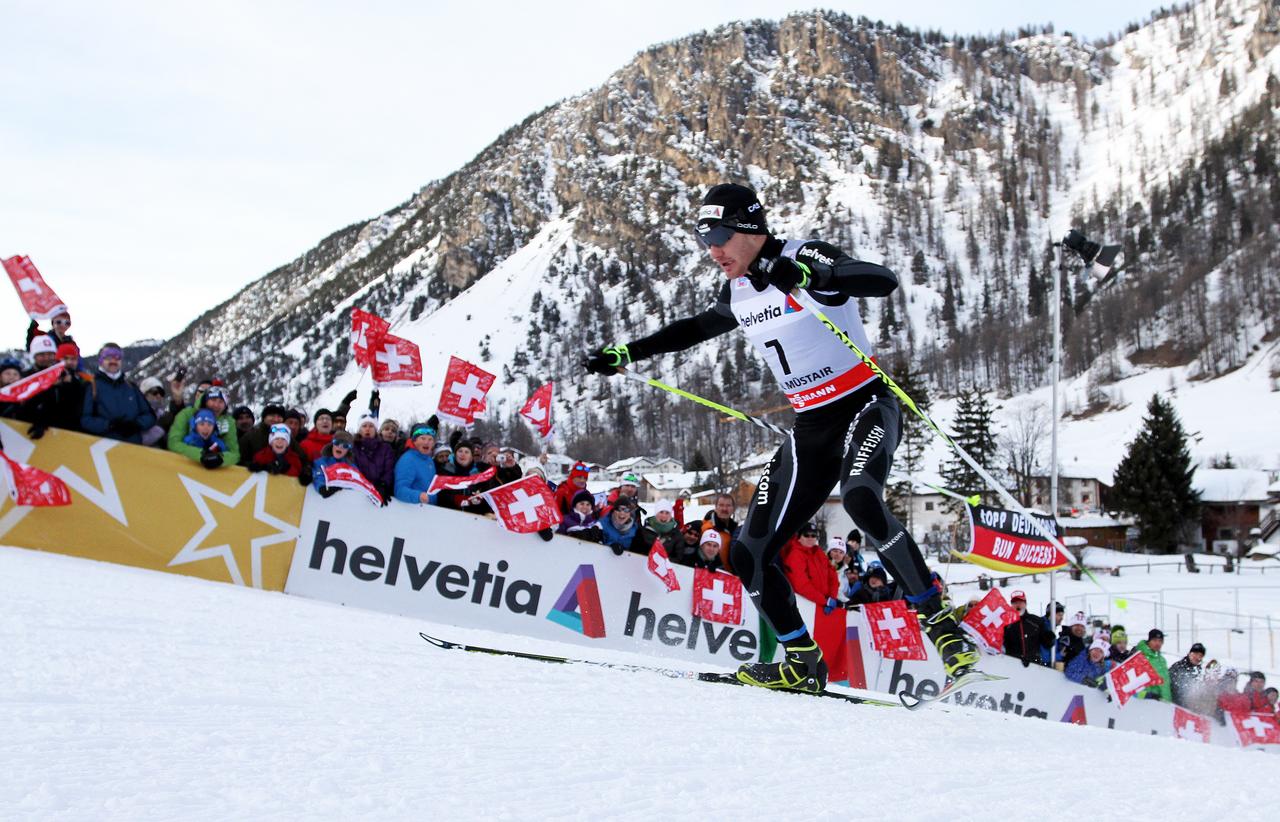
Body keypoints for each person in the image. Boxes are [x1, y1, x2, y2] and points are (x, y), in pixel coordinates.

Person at [584, 183, 976, 691]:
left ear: (751, 228)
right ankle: (801, 662)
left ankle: (945, 632)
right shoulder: (739, 290)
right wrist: (626, 354)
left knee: (860, 497)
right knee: (748, 553)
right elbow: (694, 329)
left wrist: (815, 276)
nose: (714, 250)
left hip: (864, 404)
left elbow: (881, 280)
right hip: (812, 426)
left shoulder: (800, 256)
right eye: (706, 239)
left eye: (722, 236)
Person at [80, 343, 155, 444]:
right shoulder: (91, 386)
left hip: (133, 448)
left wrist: (137, 424)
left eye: (117, 357)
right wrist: (109, 425)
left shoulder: (131, 387)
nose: (113, 361)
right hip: (102, 450)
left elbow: (149, 415)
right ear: (101, 360)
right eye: (108, 357)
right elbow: (85, 420)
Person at [167, 386, 240, 467]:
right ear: (206, 400)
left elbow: (234, 454)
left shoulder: (228, 422)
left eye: (221, 402)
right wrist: (201, 454)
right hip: (184, 466)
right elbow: (173, 443)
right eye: (213, 400)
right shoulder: (187, 414)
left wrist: (220, 458)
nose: (216, 405)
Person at [779, 523, 840, 614]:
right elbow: (801, 585)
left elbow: (832, 576)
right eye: (806, 535)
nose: (810, 538)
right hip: (805, 606)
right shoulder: (795, 555)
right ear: (799, 537)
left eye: (813, 535)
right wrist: (824, 601)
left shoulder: (818, 552)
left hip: (824, 605)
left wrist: (832, 597)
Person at [393, 421, 440, 505]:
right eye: (423, 438)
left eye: (430, 439)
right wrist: (419, 496)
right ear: (414, 441)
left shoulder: (430, 461)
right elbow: (399, 490)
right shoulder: (408, 459)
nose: (426, 442)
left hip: (430, 511)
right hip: (412, 511)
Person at [1003, 590, 1053, 667]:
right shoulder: (1005, 623)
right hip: (1012, 665)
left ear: (1025, 603)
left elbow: (1047, 644)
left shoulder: (1036, 621)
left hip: (1034, 666)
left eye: (1020, 602)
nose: (1018, 605)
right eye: (1015, 602)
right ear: (1011, 605)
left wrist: (1049, 638)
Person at [351, 415, 396, 501]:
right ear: (359, 429)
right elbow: (352, 468)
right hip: (358, 491)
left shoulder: (385, 448)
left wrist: (383, 485)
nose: (367, 429)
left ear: (376, 430)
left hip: (378, 491)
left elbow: (389, 470)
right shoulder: (353, 447)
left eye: (371, 426)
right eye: (364, 426)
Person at [312, 430, 363, 496]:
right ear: (332, 444)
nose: (340, 446)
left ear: (348, 450)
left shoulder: (352, 468)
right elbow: (317, 476)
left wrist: (341, 487)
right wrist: (321, 487)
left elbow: (358, 484)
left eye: (345, 445)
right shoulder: (321, 462)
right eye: (337, 443)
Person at [1133, 628, 1172, 702]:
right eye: (1154, 640)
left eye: (1160, 641)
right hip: (1148, 704)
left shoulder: (1162, 660)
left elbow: (1166, 684)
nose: (1157, 643)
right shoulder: (1140, 657)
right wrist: (1148, 696)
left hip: (1164, 705)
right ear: (1149, 641)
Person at [1169, 643, 1207, 708]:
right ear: (1190, 653)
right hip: (1176, 705)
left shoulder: (1199, 670)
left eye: (1200, 655)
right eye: (1195, 654)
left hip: (1191, 707)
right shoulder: (1178, 667)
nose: (1197, 657)